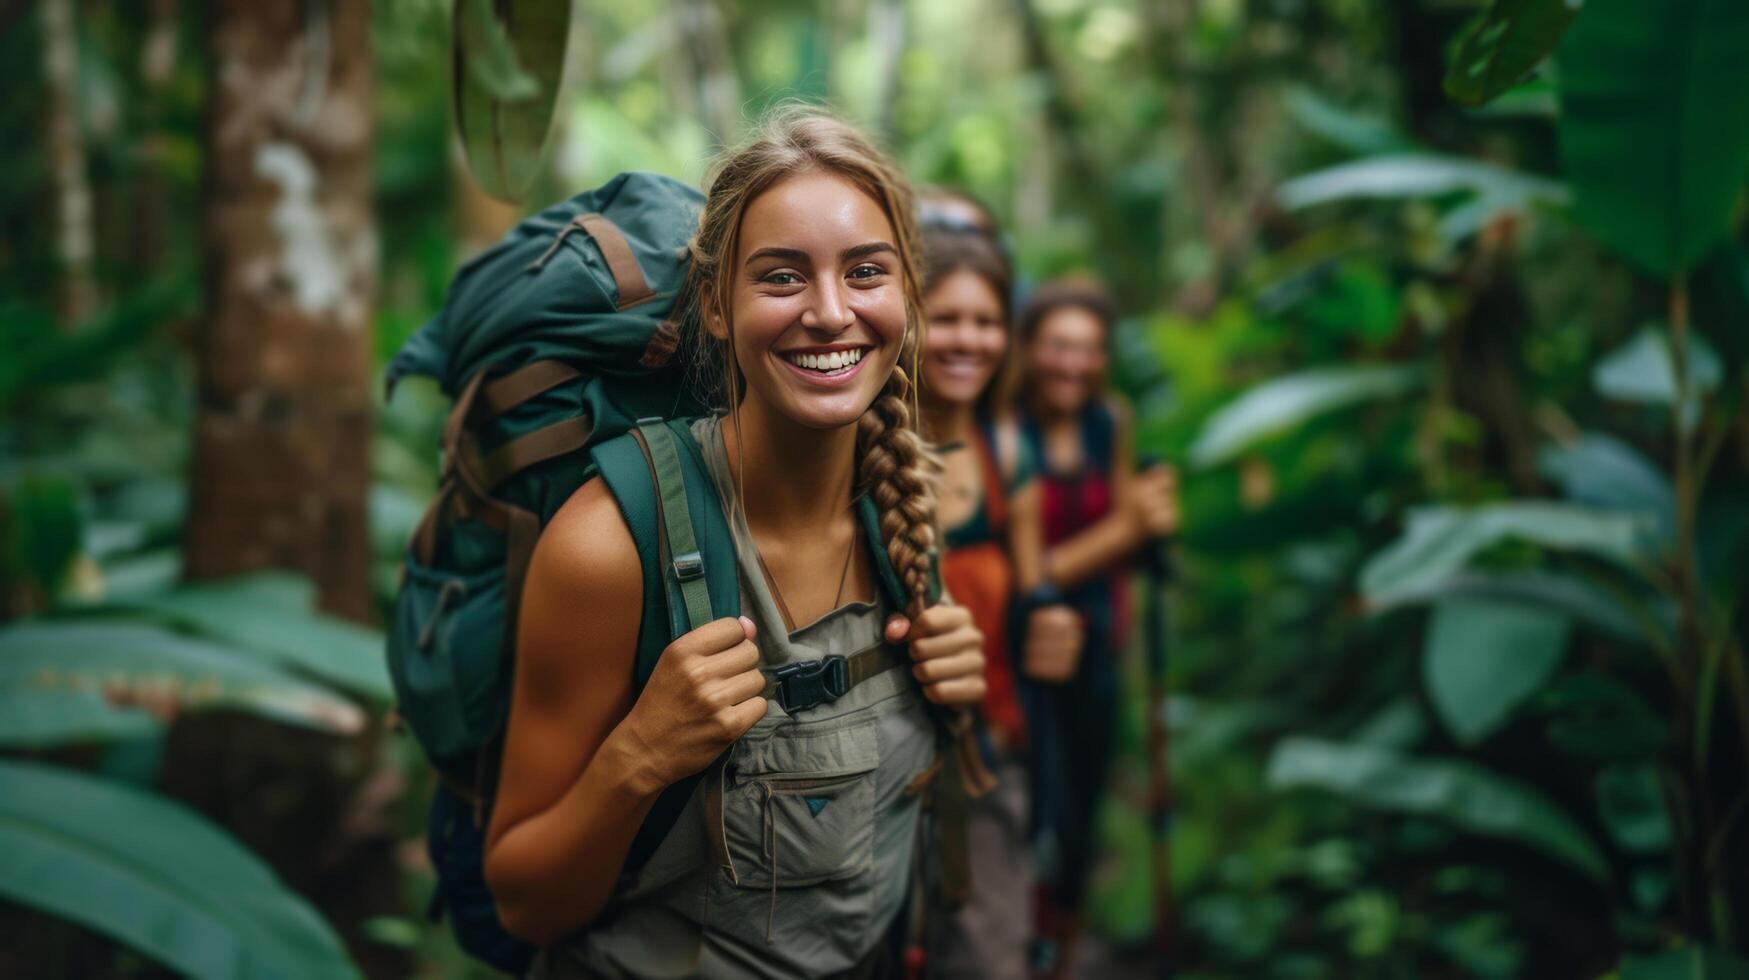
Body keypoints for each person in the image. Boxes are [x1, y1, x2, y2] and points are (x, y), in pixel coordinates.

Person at [482, 108, 988, 979]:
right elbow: (526, 903)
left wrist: (949, 690)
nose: (830, 314)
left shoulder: (902, 507)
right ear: (716, 306)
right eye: (781, 278)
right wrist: (639, 755)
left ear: (905, 293)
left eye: (864, 272)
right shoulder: (607, 545)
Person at [915, 227, 1082, 979]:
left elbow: (1031, 577)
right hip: (880, 757)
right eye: (945, 318)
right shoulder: (853, 450)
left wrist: (1048, 613)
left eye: (984, 323)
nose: (968, 340)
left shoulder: (1008, 456)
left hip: (987, 754)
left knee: (987, 954)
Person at [1015, 278, 1177, 978]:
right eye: (1057, 345)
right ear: (1027, 349)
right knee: (1030, 818)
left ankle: (1064, 959)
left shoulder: (1108, 419)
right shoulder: (1001, 428)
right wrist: (1125, 528)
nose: (1071, 364)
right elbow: (1022, 563)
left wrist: (1139, 531)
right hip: (1017, 644)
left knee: (1081, 812)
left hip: (1096, 645)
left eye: (1087, 349)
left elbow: (1128, 534)